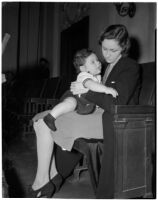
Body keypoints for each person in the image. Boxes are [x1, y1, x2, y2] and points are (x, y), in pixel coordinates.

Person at [29, 24, 140, 198]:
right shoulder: (104, 65)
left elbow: (115, 103)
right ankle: (48, 177)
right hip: (97, 112)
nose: (107, 54)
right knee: (42, 122)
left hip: (115, 120)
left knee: (47, 123)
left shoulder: (130, 66)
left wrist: (86, 90)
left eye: (113, 50)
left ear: (123, 47)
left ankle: (45, 181)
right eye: (104, 48)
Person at [43, 49, 118, 132]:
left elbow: (96, 96)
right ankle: (50, 117)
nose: (98, 63)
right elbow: (91, 85)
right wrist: (106, 89)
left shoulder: (98, 78)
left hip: (83, 103)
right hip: (73, 96)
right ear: (83, 68)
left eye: (97, 60)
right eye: (93, 62)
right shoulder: (84, 76)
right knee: (71, 103)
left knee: (75, 107)